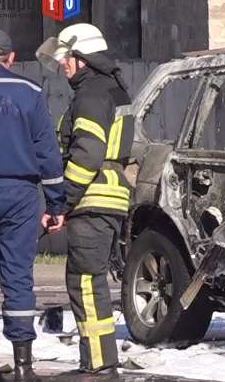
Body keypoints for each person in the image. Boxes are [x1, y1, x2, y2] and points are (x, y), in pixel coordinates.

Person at [36, 23, 133, 376]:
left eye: (68, 58)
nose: (63, 64)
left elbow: (88, 155)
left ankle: (98, 364)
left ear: (83, 58)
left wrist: (62, 202)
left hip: (93, 199)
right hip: (109, 197)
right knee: (91, 281)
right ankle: (98, 360)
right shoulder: (113, 89)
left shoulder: (91, 94)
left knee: (87, 283)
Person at [0, 28, 65, 381]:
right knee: (18, 276)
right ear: (12, 58)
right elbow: (48, 152)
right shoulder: (30, 93)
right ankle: (23, 366)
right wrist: (57, 204)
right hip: (21, 196)